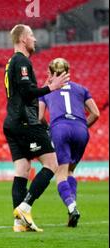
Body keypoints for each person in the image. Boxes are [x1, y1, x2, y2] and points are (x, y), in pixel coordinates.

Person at [3, 24, 69, 232]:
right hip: (26, 123)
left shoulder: (11, 62)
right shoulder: (22, 61)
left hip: (12, 122)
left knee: (22, 170)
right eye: (31, 36)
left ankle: (19, 223)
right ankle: (25, 207)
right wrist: (51, 87)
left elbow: (25, 91)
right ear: (23, 39)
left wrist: (43, 86)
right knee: (52, 164)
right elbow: (26, 92)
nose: (35, 40)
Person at [39, 58, 100, 227]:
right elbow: (95, 113)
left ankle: (72, 207)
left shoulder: (46, 91)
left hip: (60, 128)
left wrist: (51, 129)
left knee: (60, 173)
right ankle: (71, 210)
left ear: (51, 73)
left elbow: (39, 116)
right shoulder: (81, 89)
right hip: (81, 129)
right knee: (70, 171)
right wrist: (81, 126)